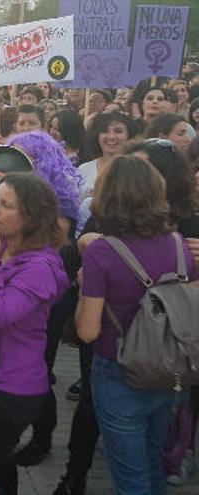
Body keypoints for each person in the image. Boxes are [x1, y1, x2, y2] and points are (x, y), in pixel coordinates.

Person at [76, 155, 197, 494]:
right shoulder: (179, 245)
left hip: (119, 371)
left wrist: (84, 284)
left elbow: (87, 330)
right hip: (171, 371)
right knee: (154, 460)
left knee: (131, 478)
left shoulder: (102, 252)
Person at [0, 173, 70, 495]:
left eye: (6, 205)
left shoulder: (40, 266)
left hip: (11, 387)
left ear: (32, 217)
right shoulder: (5, 245)